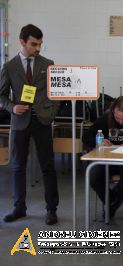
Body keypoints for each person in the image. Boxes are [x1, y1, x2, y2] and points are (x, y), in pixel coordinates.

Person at [0, 24, 59, 225]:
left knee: (48, 166)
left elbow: (56, 94)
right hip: (19, 122)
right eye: (34, 44)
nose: (38, 48)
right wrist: (12, 107)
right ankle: (19, 208)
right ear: (22, 41)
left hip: (42, 120)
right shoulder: (9, 67)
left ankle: (51, 209)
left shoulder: (48, 64)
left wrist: (51, 113)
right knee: (18, 166)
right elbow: (1, 96)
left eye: (40, 44)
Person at [82, 96, 123, 218]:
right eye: (118, 118)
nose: (121, 122)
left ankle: (112, 204)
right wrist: (99, 141)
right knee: (93, 175)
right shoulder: (105, 119)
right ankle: (112, 201)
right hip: (108, 160)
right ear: (113, 112)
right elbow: (86, 137)